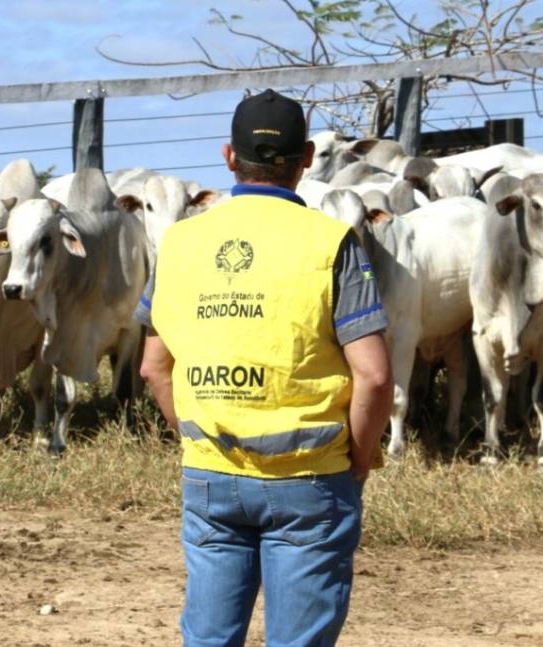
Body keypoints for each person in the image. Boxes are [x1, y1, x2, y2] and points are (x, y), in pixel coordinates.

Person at [136, 88, 394, 647]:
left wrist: (195, 436)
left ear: (228, 157)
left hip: (211, 472)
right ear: (305, 159)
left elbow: (154, 369)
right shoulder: (333, 243)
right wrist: (361, 457)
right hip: (311, 476)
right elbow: (373, 375)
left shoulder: (179, 242)